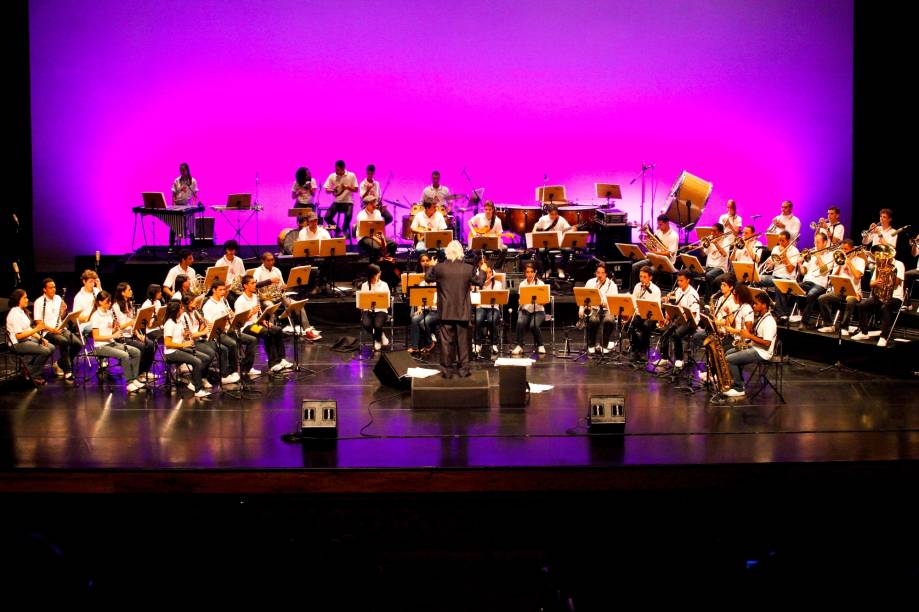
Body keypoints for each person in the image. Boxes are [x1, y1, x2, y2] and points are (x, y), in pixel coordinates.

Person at [425, 240, 483, 377]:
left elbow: (427, 278)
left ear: (447, 253)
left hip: (445, 312)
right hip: (462, 312)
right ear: (461, 253)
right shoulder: (468, 268)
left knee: (446, 343)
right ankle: (464, 370)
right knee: (463, 343)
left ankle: (447, 371)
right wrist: (484, 271)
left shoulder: (439, 268)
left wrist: (431, 266)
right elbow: (480, 282)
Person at [253, 251, 321, 340]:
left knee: (298, 305)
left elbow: (282, 285)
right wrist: (270, 281)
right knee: (271, 307)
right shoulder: (258, 271)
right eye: (268, 260)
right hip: (266, 298)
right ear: (263, 261)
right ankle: (273, 333)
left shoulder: (276, 270)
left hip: (279, 296)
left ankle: (307, 331)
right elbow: (255, 285)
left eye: (272, 260)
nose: (271, 262)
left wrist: (284, 287)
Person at [723, 293, 777, 398]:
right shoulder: (762, 317)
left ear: (764, 305)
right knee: (728, 353)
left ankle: (738, 388)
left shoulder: (769, 321)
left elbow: (767, 343)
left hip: (763, 353)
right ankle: (738, 382)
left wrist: (749, 336)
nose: (754, 306)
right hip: (756, 348)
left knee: (729, 359)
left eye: (756, 304)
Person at [89, 291, 144, 393]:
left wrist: (116, 329)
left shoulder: (109, 313)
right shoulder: (96, 316)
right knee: (124, 355)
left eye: (110, 301)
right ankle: (129, 383)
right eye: (107, 302)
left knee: (136, 352)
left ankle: (134, 378)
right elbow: (96, 337)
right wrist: (113, 335)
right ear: (100, 302)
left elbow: (110, 330)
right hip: (101, 346)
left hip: (110, 342)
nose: (110, 303)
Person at [235, 275, 291, 373]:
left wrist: (263, 321)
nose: (255, 285)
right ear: (245, 286)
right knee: (267, 332)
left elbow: (258, 316)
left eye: (255, 282)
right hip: (246, 326)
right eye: (252, 283)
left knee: (277, 330)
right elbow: (239, 322)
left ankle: (281, 358)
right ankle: (273, 364)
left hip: (256, 323)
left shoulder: (254, 297)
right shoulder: (240, 301)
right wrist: (251, 312)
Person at [202, 279, 252, 380]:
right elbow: (209, 324)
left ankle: (246, 368)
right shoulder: (208, 306)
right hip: (217, 334)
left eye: (224, 290)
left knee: (251, 340)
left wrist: (232, 316)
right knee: (232, 344)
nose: (223, 292)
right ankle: (232, 371)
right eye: (220, 290)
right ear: (214, 290)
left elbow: (229, 315)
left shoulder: (224, 301)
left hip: (227, 330)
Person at [852, 256, 905, 346]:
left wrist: (889, 271)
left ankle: (884, 337)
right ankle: (864, 333)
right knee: (862, 305)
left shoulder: (899, 264)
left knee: (885, 307)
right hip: (880, 296)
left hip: (895, 297)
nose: (884, 256)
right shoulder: (879, 265)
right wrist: (876, 283)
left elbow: (897, 283)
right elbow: (871, 284)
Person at [32, 278, 80, 379]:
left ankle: (59, 364)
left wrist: (64, 311)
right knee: (63, 341)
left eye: (54, 287)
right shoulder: (39, 302)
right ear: (44, 289)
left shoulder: (58, 298)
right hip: (47, 332)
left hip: (60, 328)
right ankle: (68, 371)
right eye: (50, 288)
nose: (53, 289)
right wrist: (52, 330)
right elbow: (38, 322)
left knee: (78, 344)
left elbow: (61, 317)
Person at [162, 300, 211, 398]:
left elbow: (180, 335)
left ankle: (193, 382)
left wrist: (185, 335)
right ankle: (198, 389)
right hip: (171, 352)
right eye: (181, 308)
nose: (183, 309)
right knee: (197, 362)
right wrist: (184, 344)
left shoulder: (179, 321)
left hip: (180, 348)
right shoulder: (169, 324)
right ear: (176, 311)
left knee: (205, 358)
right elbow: (167, 344)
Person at [654, 270, 701, 370]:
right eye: (678, 280)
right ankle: (665, 357)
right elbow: (677, 307)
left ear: (688, 280)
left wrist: (678, 319)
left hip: (691, 322)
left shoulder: (693, 294)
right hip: (681, 319)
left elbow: (693, 314)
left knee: (677, 334)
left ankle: (679, 359)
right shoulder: (678, 290)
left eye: (681, 280)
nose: (679, 283)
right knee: (664, 331)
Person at [6, 289, 54, 385]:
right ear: (18, 300)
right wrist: (36, 329)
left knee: (51, 347)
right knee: (45, 351)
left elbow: (28, 329)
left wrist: (41, 338)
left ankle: (28, 369)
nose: (27, 300)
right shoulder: (14, 314)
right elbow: (19, 336)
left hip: (26, 339)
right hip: (17, 343)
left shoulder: (21, 311)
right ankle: (34, 375)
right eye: (25, 298)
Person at [817, 239, 865, 335]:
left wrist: (849, 263)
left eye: (846, 249)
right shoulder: (839, 259)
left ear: (852, 249)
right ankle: (829, 325)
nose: (843, 251)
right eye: (842, 249)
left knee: (850, 301)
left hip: (854, 292)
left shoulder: (860, 261)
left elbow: (857, 276)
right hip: (840, 291)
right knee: (822, 298)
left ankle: (844, 327)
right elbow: (834, 278)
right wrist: (840, 265)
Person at [113, 282, 156, 382]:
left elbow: (134, 324)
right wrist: (129, 323)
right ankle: (138, 373)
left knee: (150, 344)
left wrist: (138, 334)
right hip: (122, 337)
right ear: (123, 293)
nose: (131, 291)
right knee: (142, 347)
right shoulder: (116, 307)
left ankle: (145, 371)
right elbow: (117, 327)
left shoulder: (129, 304)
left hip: (132, 334)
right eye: (129, 290)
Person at [786, 231, 831, 326]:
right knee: (790, 288)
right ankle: (785, 315)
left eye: (818, 242)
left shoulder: (830, 255)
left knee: (811, 294)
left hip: (820, 284)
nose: (815, 244)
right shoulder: (811, 254)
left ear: (825, 243)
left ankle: (804, 321)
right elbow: (803, 272)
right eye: (815, 242)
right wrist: (799, 263)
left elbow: (824, 271)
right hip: (807, 282)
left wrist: (818, 256)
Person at [758, 230, 799, 318]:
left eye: (782, 241)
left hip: (787, 278)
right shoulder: (776, 249)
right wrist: (769, 265)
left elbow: (790, 269)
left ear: (788, 241)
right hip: (775, 276)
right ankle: (762, 306)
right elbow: (770, 269)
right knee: (756, 279)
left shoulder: (795, 251)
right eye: (779, 240)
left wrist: (784, 257)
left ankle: (781, 314)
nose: (780, 243)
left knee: (779, 284)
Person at [581, 262, 618, 354]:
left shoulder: (612, 285)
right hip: (593, 308)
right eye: (598, 272)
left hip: (607, 309)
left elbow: (614, 303)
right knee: (593, 320)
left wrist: (605, 304)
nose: (600, 275)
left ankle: (603, 345)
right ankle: (591, 345)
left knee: (609, 320)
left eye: (602, 273)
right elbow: (583, 297)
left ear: (606, 274)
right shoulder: (590, 282)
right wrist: (581, 308)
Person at [630, 214, 679, 285]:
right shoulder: (658, 232)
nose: (659, 226)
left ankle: (647, 291)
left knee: (649, 271)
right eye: (658, 224)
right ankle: (633, 290)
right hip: (654, 259)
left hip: (666, 262)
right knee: (634, 266)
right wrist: (648, 240)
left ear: (667, 223)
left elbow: (670, 253)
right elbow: (653, 245)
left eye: (661, 224)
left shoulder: (674, 236)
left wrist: (655, 252)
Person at [512, 262, 548, 356]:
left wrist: (539, 300)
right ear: (525, 273)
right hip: (526, 310)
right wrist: (520, 301)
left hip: (539, 311)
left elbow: (544, 302)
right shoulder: (522, 284)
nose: (530, 274)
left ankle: (540, 345)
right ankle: (519, 345)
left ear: (535, 272)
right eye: (528, 272)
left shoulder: (540, 283)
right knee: (520, 322)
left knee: (534, 325)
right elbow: (520, 300)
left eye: (532, 272)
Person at [472, 254, 503, 356]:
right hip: (481, 307)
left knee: (492, 319)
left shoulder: (497, 284)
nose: (488, 274)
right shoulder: (478, 283)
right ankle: (477, 343)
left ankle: (494, 343)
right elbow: (474, 297)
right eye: (486, 272)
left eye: (490, 272)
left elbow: (499, 299)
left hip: (493, 308)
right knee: (478, 319)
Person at [628, 266, 662, 362]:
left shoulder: (655, 290)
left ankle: (643, 351)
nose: (642, 279)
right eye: (640, 276)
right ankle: (636, 348)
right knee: (630, 325)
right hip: (639, 313)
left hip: (651, 316)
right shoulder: (637, 287)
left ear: (650, 278)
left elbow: (656, 307)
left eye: (644, 277)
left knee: (646, 326)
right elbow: (634, 301)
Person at [532, 204, 574, 279]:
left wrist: (572, 230)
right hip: (546, 244)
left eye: (555, 214)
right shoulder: (543, 219)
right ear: (548, 212)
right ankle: (548, 269)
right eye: (552, 214)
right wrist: (535, 231)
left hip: (559, 243)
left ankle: (561, 268)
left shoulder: (561, 219)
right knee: (541, 251)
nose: (554, 216)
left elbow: (569, 229)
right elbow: (536, 226)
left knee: (568, 250)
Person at [408, 253, 439, 354]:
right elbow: (420, 298)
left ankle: (430, 343)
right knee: (414, 319)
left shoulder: (439, 283)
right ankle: (415, 346)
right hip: (426, 309)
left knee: (423, 322)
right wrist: (420, 308)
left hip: (436, 311)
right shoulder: (423, 283)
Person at [323, 160, 358, 239]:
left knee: (348, 215)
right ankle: (337, 230)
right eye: (335, 169)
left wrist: (347, 187)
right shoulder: (332, 176)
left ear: (343, 169)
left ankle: (345, 229)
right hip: (337, 202)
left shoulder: (351, 175)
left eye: (338, 169)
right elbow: (326, 190)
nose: (336, 171)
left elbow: (356, 189)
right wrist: (333, 190)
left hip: (348, 202)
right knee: (327, 217)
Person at [359, 264, 390, 351]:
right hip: (368, 310)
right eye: (378, 273)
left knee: (377, 325)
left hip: (381, 309)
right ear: (372, 275)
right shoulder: (365, 285)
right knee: (366, 324)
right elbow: (362, 302)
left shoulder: (384, 285)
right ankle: (380, 335)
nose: (380, 273)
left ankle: (377, 340)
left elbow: (387, 302)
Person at [467, 200, 507, 268]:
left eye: (489, 209)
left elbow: (499, 235)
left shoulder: (497, 220)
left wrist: (493, 237)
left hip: (492, 243)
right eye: (486, 209)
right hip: (480, 242)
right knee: (474, 250)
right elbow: (469, 222)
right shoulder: (479, 216)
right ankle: (476, 269)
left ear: (493, 210)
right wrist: (474, 232)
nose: (487, 211)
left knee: (504, 249)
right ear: (484, 209)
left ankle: (496, 268)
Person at [355, 199, 396, 264]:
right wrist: (379, 240)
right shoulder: (361, 215)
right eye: (372, 203)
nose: (375, 205)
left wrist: (383, 239)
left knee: (393, 244)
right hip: (364, 236)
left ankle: (387, 261)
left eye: (374, 203)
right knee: (376, 247)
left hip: (374, 234)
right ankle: (375, 265)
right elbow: (367, 232)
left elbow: (380, 228)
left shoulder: (377, 212)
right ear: (367, 205)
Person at [702, 222, 730, 296]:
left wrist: (716, 244)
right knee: (691, 271)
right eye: (711, 231)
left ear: (721, 233)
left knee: (709, 275)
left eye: (714, 231)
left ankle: (708, 298)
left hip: (720, 268)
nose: (712, 233)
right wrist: (703, 245)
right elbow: (703, 254)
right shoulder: (710, 240)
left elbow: (724, 254)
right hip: (708, 267)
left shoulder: (726, 241)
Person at [73, 269, 102, 334]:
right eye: (90, 282)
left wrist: (99, 286)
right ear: (84, 281)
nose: (92, 284)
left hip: (99, 320)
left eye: (94, 282)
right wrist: (90, 317)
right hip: (86, 324)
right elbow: (76, 319)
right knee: (101, 326)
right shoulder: (78, 297)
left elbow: (105, 303)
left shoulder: (97, 291)